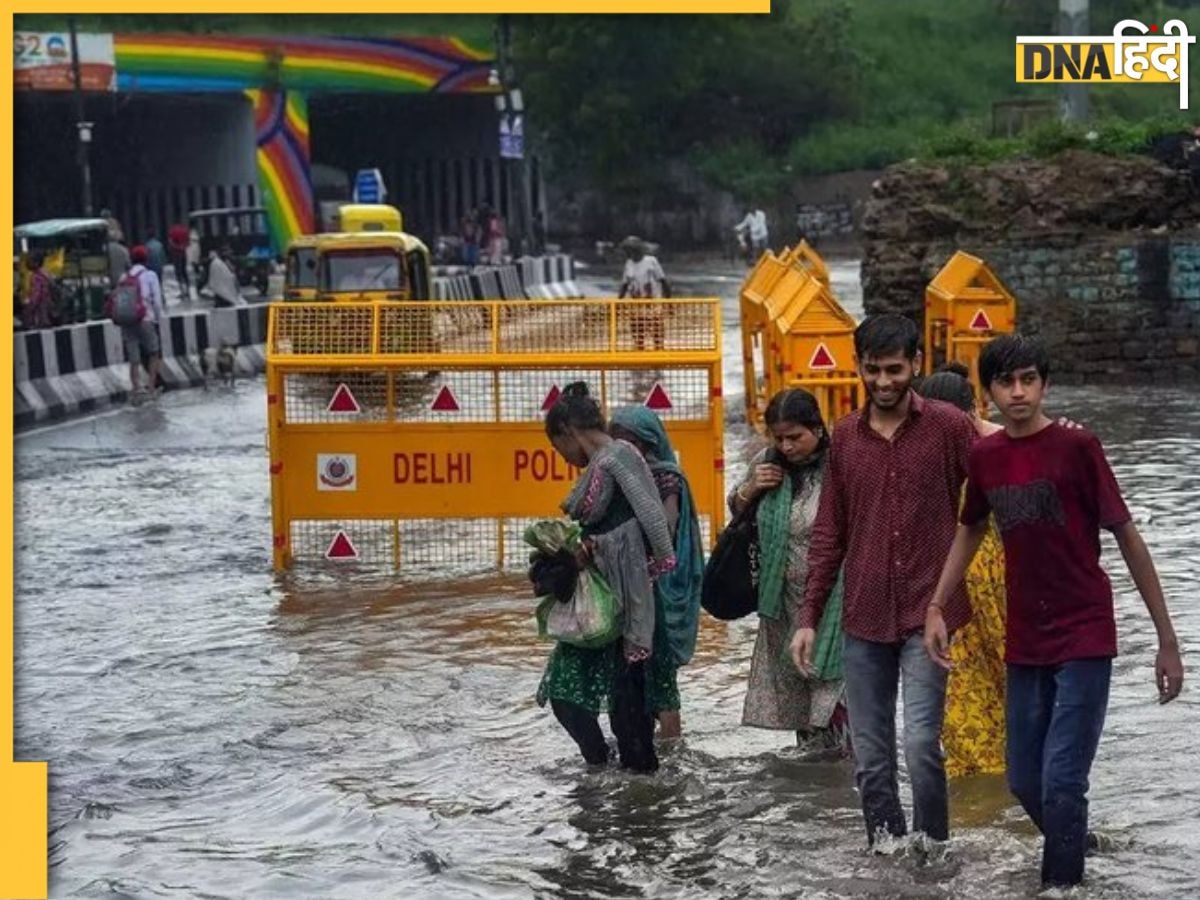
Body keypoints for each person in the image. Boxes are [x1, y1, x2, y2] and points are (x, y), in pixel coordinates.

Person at [924, 335, 1184, 888]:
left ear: (1044, 383)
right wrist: (937, 605)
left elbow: (1128, 538)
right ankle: (1079, 844)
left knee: (1063, 779)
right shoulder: (986, 457)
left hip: (1086, 631)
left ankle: (1061, 885)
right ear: (988, 392)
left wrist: (1167, 639)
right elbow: (969, 528)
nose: (1018, 393)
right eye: (1005, 382)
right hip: (1027, 638)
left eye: (1029, 380)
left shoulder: (1078, 447)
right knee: (1024, 779)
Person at [790, 313, 977, 847]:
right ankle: (886, 856)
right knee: (871, 760)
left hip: (929, 615)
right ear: (858, 368)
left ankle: (934, 853)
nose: (884, 382)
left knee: (921, 746)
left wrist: (1048, 433)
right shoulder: (846, 437)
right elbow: (830, 534)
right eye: (872, 371)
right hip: (864, 618)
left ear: (915, 365)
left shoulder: (947, 426)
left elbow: (996, 477)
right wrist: (808, 618)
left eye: (894, 370)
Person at [535, 383, 676, 773]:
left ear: (568, 432)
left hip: (627, 604)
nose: (564, 460)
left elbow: (651, 519)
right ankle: (603, 768)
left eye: (558, 449)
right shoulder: (607, 463)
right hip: (599, 603)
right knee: (572, 697)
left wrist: (595, 549)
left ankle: (629, 795)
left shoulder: (617, 459)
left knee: (624, 708)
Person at [731, 388, 849, 752]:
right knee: (801, 694)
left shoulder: (840, 466)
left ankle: (848, 781)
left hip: (835, 599)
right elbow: (736, 509)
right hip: (784, 604)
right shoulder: (768, 465)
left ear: (817, 428)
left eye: (795, 437)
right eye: (779, 438)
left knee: (836, 688)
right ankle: (814, 792)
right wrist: (752, 489)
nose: (786, 447)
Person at [917, 364, 1006, 778]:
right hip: (952, 593)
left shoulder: (998, 447)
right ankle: (981, 798)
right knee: (962, 692)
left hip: (991, 586)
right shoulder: (924, 451)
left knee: (1000, 684)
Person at [609, 406, 704, 741]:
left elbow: (665, 529)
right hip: (629, 590)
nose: (621, 449)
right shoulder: (615, 475)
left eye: (628, 441)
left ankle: (671, 748)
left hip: (658, 590)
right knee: (632, 675)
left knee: (661, 676)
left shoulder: (665, 478)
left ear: (646, 442)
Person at [119, 245, 166, 400]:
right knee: (154, 352)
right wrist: (157, 319)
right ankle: (151, 387)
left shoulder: (124, 277)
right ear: (146, 259)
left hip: (127, 320)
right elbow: (157, 301)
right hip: (145, 318)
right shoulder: (150, 275)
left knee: (134, 358)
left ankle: (136, 389)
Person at [617, 236, 671, 352]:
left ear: (637, 250)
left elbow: (663, 281)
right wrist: (618, 302)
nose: (628, 254)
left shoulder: (651, 261)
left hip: (653, 305)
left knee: (657, 335)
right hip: (636, 307)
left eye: (629, 250)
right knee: (638, 335)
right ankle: (640, 359)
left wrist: (669, 303)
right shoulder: (629, 264)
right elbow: (625, 284)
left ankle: (658, 359)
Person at [20, 251, 54, 330]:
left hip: (41, 302)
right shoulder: (45, 272)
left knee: (42, 322)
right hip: (48, 300)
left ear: (36, 262)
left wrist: (31, 303)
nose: (27, 263)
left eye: (30, 261)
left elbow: (37, 292)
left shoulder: (36, 276)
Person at [167, 222, 191, 302]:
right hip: (183, 253)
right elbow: (188, 242)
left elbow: (170, 242)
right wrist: (183, 247)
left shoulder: (172, 230)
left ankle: (182, 291)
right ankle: (187, 291)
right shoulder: (185, 230)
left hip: (176, 254)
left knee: (178, 272)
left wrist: (176, 247)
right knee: (184, 272)